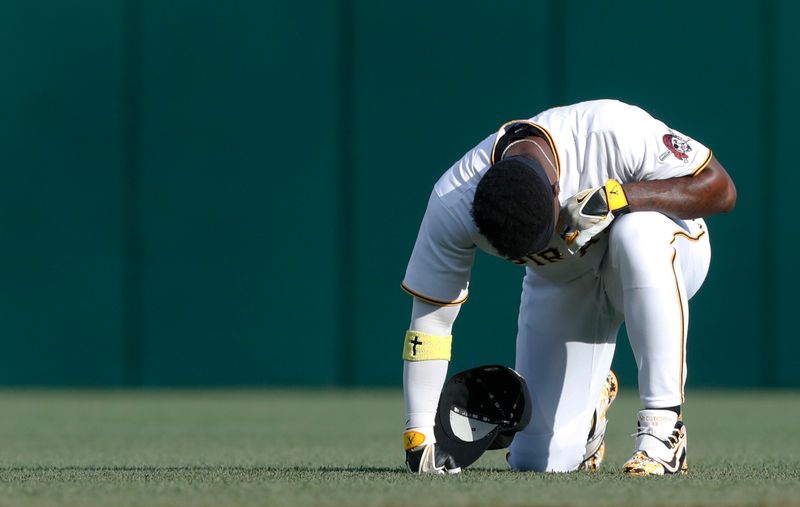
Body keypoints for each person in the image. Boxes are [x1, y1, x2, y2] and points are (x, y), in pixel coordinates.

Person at [400, 99, 736, 476]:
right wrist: (418, 435)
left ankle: (663, 428)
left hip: (667, 253)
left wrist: (622, 197)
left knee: (636, 233)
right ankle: (590, 411)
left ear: (557, 187)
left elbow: (720, 190)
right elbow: (431, 323)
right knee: (538, 461)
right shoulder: (453, 201)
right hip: (565, 282)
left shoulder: (610, 131)